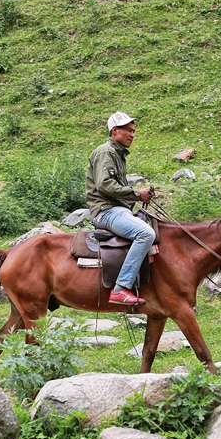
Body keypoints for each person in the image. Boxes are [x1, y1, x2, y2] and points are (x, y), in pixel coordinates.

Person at [85, 111, 155, 306]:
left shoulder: (117, 154)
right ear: (115, 131)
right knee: (145, 234)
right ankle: (121, 288)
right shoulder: (105, 152)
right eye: (128, 131)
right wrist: (136, 195)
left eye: (133, 131)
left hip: (117, 210)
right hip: (105, 211)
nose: (132, 134)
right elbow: (104, 185)